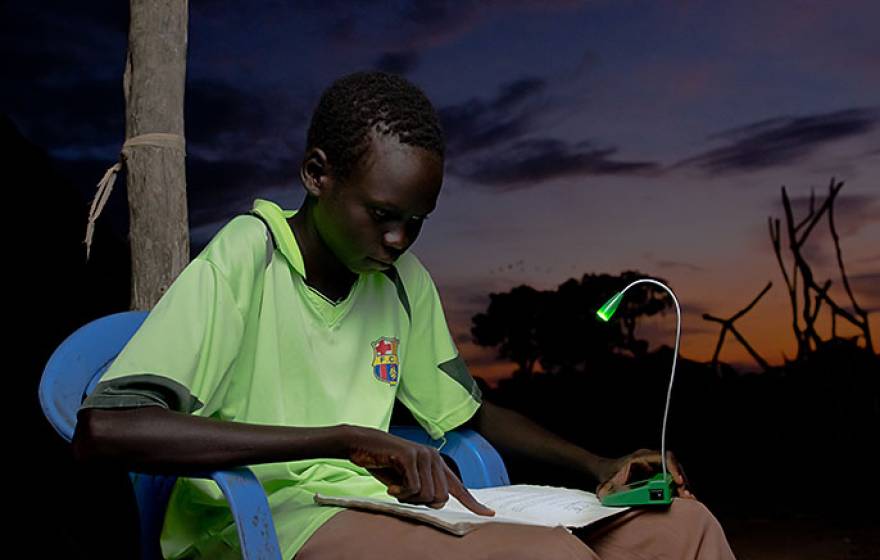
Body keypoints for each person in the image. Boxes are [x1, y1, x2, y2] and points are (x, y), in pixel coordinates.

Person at [72, 71, 736, 559]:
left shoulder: (401, 281)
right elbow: (108, 427)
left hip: (379, 511)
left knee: (681, 527)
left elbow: (467, 412)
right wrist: (337, 438)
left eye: (416, 222)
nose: (398, 240)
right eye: (383, 216)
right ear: (317, 173)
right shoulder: (252, 254)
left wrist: (600, 464)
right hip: (268, 521)